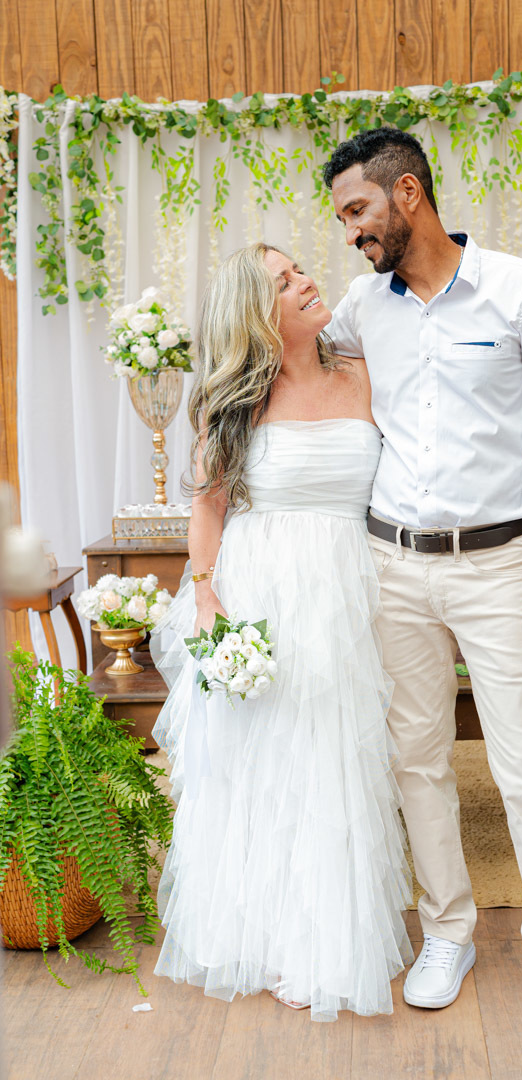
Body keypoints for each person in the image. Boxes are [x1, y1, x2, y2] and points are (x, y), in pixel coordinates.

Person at [323, 127, 522, 1039]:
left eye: (359, 211)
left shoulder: (521, 290)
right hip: (391, 566)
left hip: (496, 567)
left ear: (408, 193)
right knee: (417, 759)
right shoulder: (361, 307)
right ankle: (446, 930)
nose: (352, 235)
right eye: (344, 220)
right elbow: (291, 354)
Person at [149, 242, 413, 1022]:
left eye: (301, 269)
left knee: (334, 760)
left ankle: (323, 942)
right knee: (261, 766)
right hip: (259, 590)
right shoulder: (233, 403)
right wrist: (206, 600)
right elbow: (207, 507)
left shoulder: (363, 373)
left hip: (349, 586)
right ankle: (259, 937)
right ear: (255, 314)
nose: (306, 280)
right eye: (284, 280)